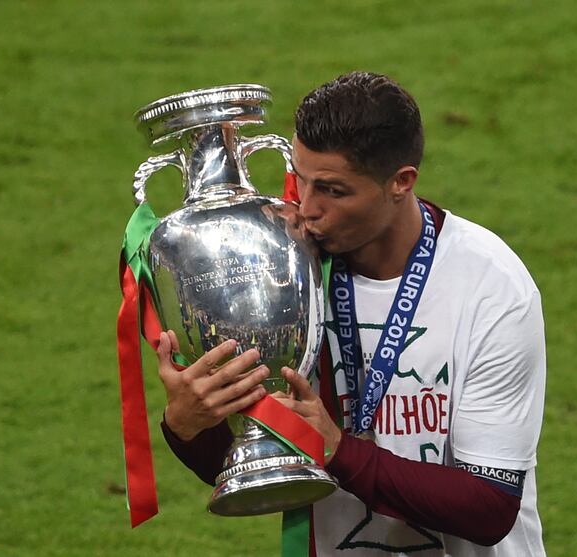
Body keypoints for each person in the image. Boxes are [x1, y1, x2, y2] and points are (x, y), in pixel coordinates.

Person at [156, 71, 547, 556]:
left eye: (333, 190)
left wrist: (340, 452)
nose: (306, 208)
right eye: (299, 178)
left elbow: (489, 507)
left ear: (400, 182)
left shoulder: (490, 290)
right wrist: (188, 423)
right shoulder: (283, 269)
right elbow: (254, 463)